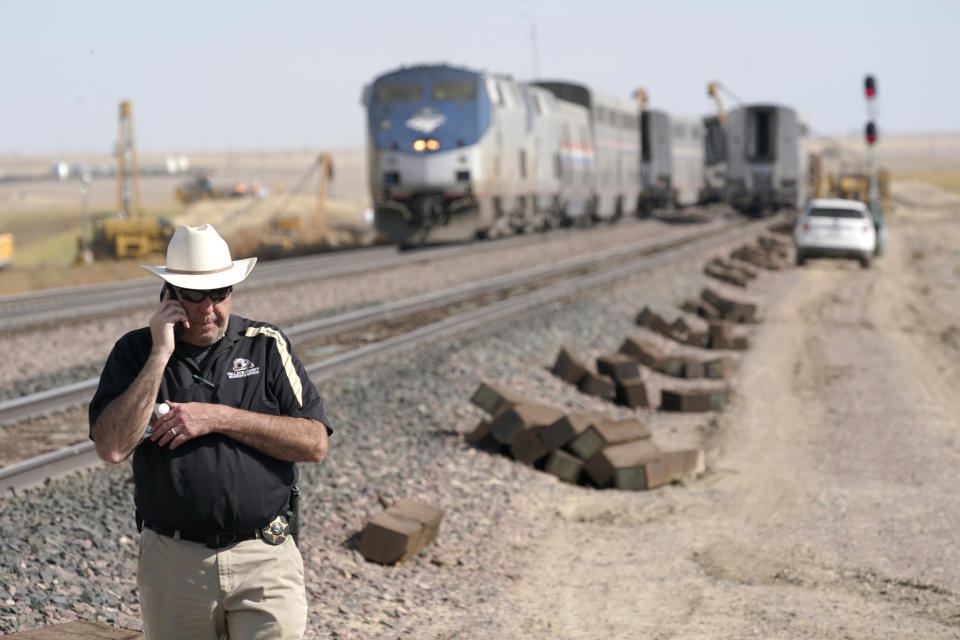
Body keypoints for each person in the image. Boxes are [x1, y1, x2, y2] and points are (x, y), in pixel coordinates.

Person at [89, 223, 331, 639]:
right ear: (169, 295)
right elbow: (112, 447)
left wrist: (217, 417)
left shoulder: (266, 344)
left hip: (264, 557)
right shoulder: (135, 352)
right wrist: (160, 354)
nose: (209, 309)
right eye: (195, 297)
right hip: (174, 562)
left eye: (220, 295)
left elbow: (314, 443)